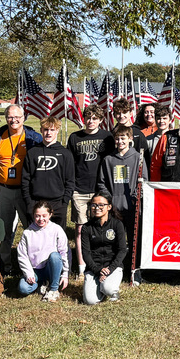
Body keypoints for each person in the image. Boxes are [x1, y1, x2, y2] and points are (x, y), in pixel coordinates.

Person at [0, 105, 42, 275]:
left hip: (26, 191)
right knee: (2, 229)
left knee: (32, 227)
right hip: (2, 189)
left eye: (17, 117)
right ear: (6, 118)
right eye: (10, 117)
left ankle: (35, 265)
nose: (14, 120)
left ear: (24, 118)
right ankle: (5, 265)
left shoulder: (33, 138)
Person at [67, 104, 113, 274]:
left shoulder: (107, 137)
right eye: (88, 118)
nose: (91, 121)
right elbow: (70, 164)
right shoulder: (75, 137)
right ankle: (81, 267)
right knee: (80, 229)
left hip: (99, 189)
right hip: (79, 189)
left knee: (100, 228)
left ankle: (100, 263)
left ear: (100, 120)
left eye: (95, 118)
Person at [97, 125, 144, 281]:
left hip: (132, 206)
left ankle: (135, 270)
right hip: (115, 207)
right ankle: (115, 268)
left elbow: (143, 181)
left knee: (134, 239)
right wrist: (109, 199)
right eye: (117, 138)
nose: (120, 141)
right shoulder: (108, 159)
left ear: (130, 139)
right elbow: (102, 183)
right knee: (115, 239)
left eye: (123, 138)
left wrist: (136, 197)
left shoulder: (138, 158)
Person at [22, 116, 76, 228]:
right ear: (41, 130)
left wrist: (64, 202)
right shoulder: (33, 153)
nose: (48, 133)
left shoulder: (65, 154)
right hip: (36, 202)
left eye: (52, 130)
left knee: (57, 236)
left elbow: (70, 180)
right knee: (36, 235)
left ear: (57, 130)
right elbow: (25, 179)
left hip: (58, 202)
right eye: (46, 129)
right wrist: (29, 202)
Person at [17, 200, 70, 302]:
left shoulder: (57, 229)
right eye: (37, 216)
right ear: (33, 215)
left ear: (50, 215)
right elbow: (22, 255)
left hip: (50, 268)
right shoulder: (27, 233)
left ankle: (53, 289)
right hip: (35, 270)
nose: (41, 219)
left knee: (55, 256)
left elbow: (65, 252)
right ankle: (41, 284)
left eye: (44, 216)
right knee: (23, 288)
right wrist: (29, 273)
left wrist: (65, 273)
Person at [81, 193, 126, 304]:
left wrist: (109, 269)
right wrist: (98, 270)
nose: (97, 208)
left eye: (101, 205)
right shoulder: (86, 227)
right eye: (94, 205)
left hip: (112, 266)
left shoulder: (117, 224)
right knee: (90, 301)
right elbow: (86, 253)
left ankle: (108, 288)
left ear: (109, 207)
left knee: (108, 289)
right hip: (94, 268)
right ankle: (100, 285)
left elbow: (122, 250)